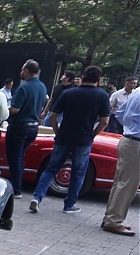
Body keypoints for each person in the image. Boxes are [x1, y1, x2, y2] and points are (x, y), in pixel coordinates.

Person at [29, 65, 110, 214]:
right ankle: (69, 205)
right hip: (84, 139)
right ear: (98, 80)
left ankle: (37, 197)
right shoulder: (102, 96)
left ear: (83, 76)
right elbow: (105, 121)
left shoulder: (69, 92)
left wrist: (57, 131)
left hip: (64, 136)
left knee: (51, 169)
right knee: (78, 173)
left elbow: (53, 115)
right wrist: (93, 134)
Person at [5, 59, 47, 198]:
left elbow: (15, 109)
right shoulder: (42, 87)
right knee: (21, 157)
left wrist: (4, 110)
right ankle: (18, 186)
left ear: (27, 71)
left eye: (23, 70)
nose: (21, 72)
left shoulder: (24, 88)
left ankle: (16, 189)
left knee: (15, 158)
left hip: (19, 127)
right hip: (33, 128)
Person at [101, 88, 140, 235]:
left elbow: (119, 112)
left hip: (128, 139)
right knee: (128, 184)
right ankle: (113, 221)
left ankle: (110, 217)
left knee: (121, 182)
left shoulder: (136, 91)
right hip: (136, 143)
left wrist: (131, 127)